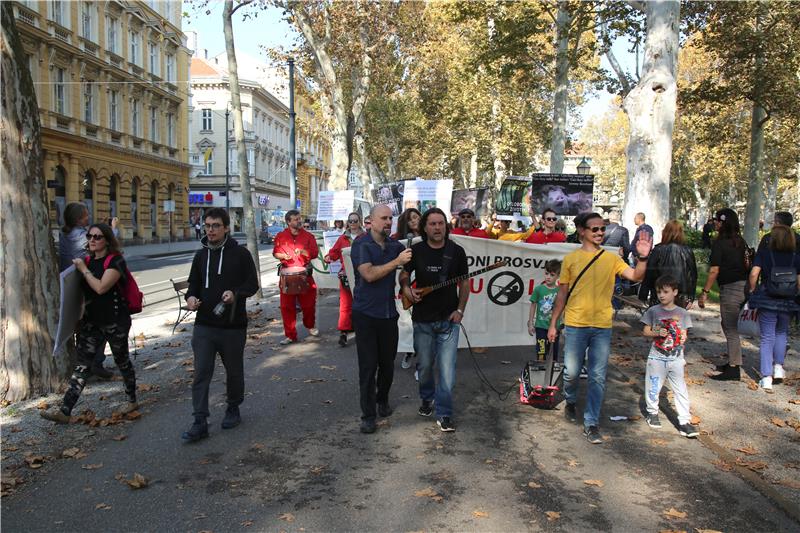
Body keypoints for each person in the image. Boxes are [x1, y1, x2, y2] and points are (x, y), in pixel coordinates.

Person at [547, 212, 652, 443]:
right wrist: (554, 323)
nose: (599, 232)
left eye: (602, 229)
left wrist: (643, 258)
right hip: (575, 325)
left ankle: (591, 422)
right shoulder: (571, 259)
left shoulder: (611, 258)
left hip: (602, 326)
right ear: (582, 231)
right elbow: (562, 295)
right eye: (594, 229)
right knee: (572, 373)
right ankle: (571, 399)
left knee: (597, 376)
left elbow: (634, 275)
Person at [42, 223, 138, 423]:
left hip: (115, 321)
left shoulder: (115, 261)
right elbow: (79, 296)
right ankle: (65, 411)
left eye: (98, 237)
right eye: (90, 236)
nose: (92, 240)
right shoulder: (85, 260)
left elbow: (101, 287)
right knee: (82, 366)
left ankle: (131, 400)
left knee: (122, 361)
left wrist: (83, 269)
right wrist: (75, 319)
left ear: (107, 240)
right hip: (91, 323)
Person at [180, 208, 259, 442]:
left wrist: (236, 294)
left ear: (226, 228)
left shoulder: (240, 254)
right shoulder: (200, 255)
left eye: (215, 226)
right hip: (204, 324)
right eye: (207, 226)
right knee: (201, 373)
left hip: (233, 325)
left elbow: (252, 285)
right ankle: (199, 420)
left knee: (234, 371)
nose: (211, 230)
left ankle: (233, 407)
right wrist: (190, 298)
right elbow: (193, 284)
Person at [399, 208, 469, 432]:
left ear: (446, 226)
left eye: (441, 223)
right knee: (426, 366)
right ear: (424, 227)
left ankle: (445, 413)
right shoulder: (416, 250)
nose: (437, 228)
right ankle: (426, 398)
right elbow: (403, 273)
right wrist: (406, 288)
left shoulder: (456, 251)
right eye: (432, 224)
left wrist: (460, 310)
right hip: (422, 320)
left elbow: (465, 284)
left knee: (447, 370)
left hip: (449, 320)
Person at [350, 204, 412, 434]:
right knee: (368, 367)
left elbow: (406, 270)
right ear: (371, 221)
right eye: (384, 218)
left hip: (388, 314)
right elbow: (369, 274)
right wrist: (397, 262)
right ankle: (368, 415)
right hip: (365, 314)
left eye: (390, 218)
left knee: (387, 364)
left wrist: (405, 284)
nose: (388, 222)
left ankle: (382, 399)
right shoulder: (361, 244)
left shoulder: (395, 245)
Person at [640, 275, 699, 438]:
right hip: (657, 357)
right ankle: (652, 412)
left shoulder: (682, 313)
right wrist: (656, 332)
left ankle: (684, 421)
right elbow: (645, 331)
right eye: (659, 292)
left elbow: (684, 332)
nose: (661, 295)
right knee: (653, 386)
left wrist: (682, 336)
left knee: (681, 390)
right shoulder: (653, 311)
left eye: (665, 291)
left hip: (676, 358)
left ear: (675, 292)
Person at [746, 225, 800, 391]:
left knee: (767, 336)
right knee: (782, 332)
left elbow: (754, 273)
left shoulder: (764, 254)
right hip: (788, 301)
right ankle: (778, 367)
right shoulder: (796, 257)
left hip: (767, 299)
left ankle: (766, 376)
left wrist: (752, 289)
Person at [699, 208, 749, 381]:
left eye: (718, 221)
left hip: (730, 289)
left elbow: (714, 270)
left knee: (730, 328)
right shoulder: (740, 241)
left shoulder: (720, 244)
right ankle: (732, 361)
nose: (716, 224)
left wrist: (705, 291)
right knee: (729, 324)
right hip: (743, 288)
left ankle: (734, 368)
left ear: (723, 223)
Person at [273, 210, 320, 345]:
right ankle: (290, 335)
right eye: (295, 219)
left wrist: (303, 251)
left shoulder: (309, 236)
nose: (299, 221)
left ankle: (310, 325)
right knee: (286, 307)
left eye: (299, 219)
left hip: (304, 275)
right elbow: (276, 253)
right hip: (287, 276)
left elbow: (315, 253)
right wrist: (283, 256)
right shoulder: (281, 236)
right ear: (288, 222)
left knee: (309, 305)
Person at [325, 212, 365, 347]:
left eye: (355, 220)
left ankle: (364, 330)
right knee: (346, 304)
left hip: (363, 275)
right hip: (346, 275)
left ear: (360, 221)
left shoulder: (367, 237)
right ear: (347, 222)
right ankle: (343, 331)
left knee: (363, 304)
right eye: (350, 221)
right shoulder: (342, 239)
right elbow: (334, 253)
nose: (353, 223)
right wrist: (329, 256)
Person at [640, 220, 698, 309]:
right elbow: (693, 275)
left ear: (665, 232)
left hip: (659, 294)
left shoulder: (658, 250)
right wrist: (691, 297)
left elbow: (649, 273)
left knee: (659, 320)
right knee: (677, 321)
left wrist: (643, 294)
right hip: (680, 295)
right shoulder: (687, 251)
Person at [528, 260, 562, 361]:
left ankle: (551, 373)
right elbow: (533, 305)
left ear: (558, 276)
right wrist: (530, 323)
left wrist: (562, 322)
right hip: (541, 326)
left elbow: (562, 307)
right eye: (546, 273)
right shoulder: (538, 289)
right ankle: (540, 369)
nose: (548, 277)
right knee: (541, 351)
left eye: (552, 275)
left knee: (553, 353)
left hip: (555, 327)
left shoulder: (560, 291)